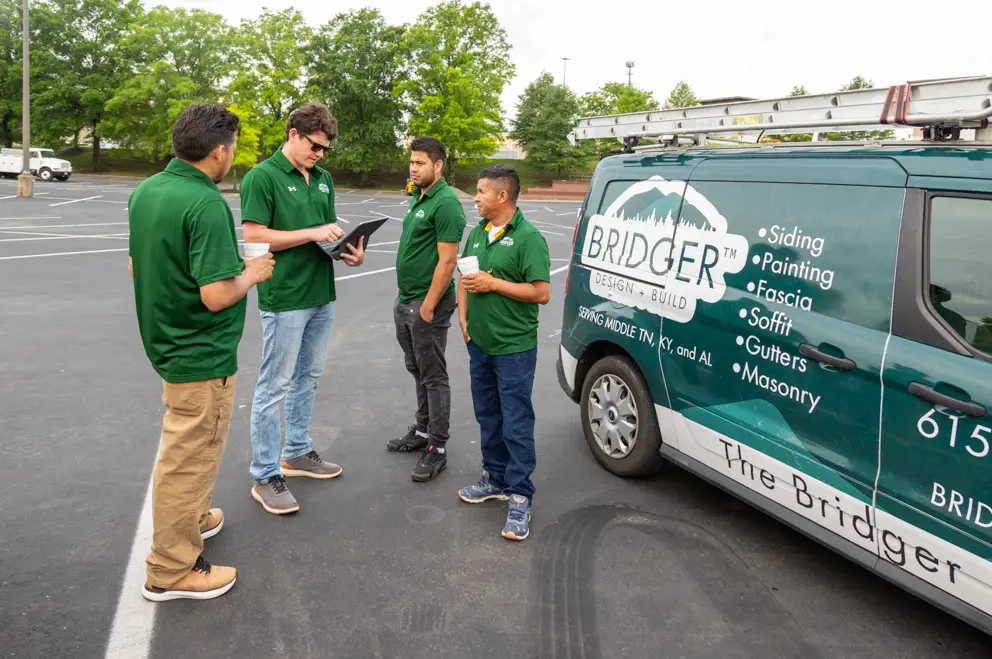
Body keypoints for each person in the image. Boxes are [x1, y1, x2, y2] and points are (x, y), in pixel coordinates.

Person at [128, 103, 275, 601]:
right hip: (199, 351)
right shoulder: (206, 202)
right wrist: (252, 273)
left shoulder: (148, 191)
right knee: (189, 456)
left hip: (168, 340)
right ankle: (170, 569)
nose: (232, 156)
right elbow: (216, 295)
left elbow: (136, 266)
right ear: (218, 151)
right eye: (232, 149)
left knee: (192, 450)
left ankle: (191, 518)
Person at [239, 101, 365, 515]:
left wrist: (346, 251)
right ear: (293, 134)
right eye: (315, 146)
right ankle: (264, 474)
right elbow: (256, 235)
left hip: (320, 293)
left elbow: (323, 238)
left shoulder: (324, 179)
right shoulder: (262, 177)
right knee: (273, 384)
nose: (320, 155)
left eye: (326, 149)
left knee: (307, 376)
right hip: (285, 296)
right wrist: (312, 231)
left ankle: (296, 451)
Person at [455, 165, 551, 541]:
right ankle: (494, 478)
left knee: (515, 421)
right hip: (480, 344)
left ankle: (520, 495)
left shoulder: (529, 238)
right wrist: (463, 319)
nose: (474, 198)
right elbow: (464, 278)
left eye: (480, 192)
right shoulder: (478, 233)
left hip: (513, 349)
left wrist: (494, 283)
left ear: (502, 196)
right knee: (488, 416)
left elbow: (540, 293)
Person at [387, 137, 468, 483]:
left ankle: (437, 446)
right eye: (412, 162)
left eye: (420, 163)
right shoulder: (419, 198)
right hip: (407, 299)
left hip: (426, 303)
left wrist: (429, 305)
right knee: (417, 368)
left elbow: (448, 261)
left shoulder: (446, 203)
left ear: (439, 166)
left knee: (433, 374)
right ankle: (421, 432)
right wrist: (402, 290)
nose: (413, 167)